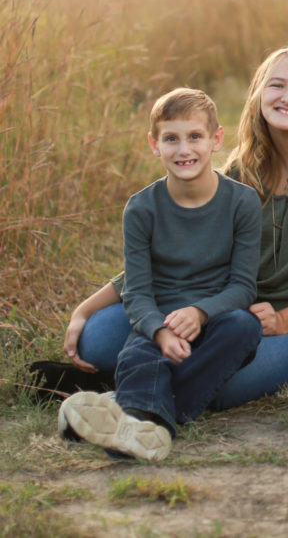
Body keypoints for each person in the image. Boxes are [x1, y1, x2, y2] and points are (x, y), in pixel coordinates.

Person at [48, 46, 288, 408]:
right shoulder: (244, 167)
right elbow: (180, 248)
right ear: (258, 95)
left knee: (224, 385)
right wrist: (85, 308)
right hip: (238, 313)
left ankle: (129, 396)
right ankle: (143, 383)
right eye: (277, 85)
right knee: (96, 339)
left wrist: (286, 319)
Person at [59, 89, 262, 461]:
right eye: (171, 139)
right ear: (155, 145)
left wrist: (200, 312)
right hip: (159, 319)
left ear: (216, 139)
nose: (184, 149)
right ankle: (149, 429)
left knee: (245, 327)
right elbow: (136, 292)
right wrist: (160, 331)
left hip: (215, 321)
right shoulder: (140, 209)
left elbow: (243, 286)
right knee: (138, 357)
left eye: (195, 136)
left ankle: (129, 409)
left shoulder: (242, 202)